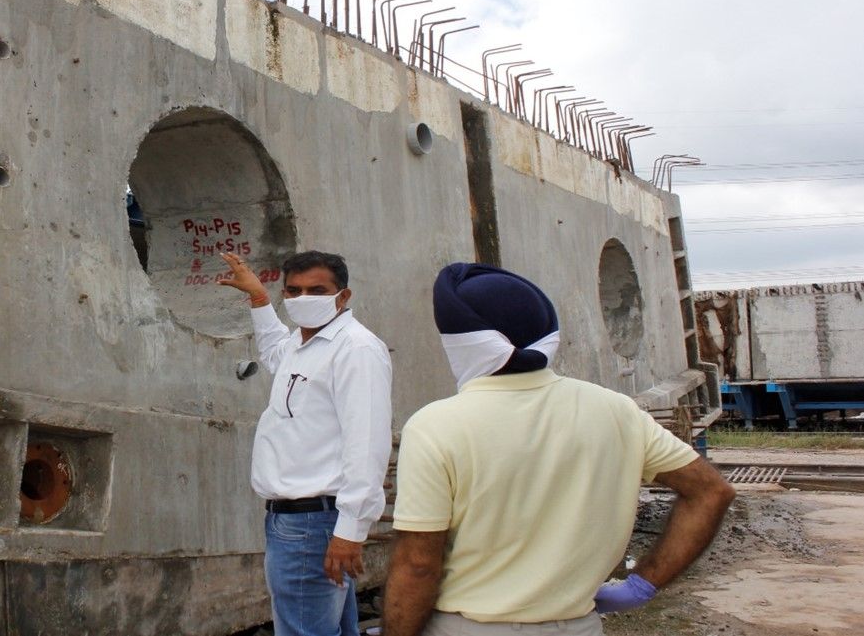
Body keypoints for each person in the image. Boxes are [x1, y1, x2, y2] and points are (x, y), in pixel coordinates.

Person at [383, 263, 735, 636]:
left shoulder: (436, 425)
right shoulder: (615, 410)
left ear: (458, 342)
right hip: (577, 625)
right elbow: (711, 491)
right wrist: (640, 585)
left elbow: (418, 564)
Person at [219, 250, 393, 636]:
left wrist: (350, 530)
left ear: (343, 296)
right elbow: (273, 350)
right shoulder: (302, 343)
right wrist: (259, 299)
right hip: (298, 522)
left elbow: (367, 446)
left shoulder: (356, 349)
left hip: (314, 524)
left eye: (317, 290)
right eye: (293, 292)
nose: (303, 299)